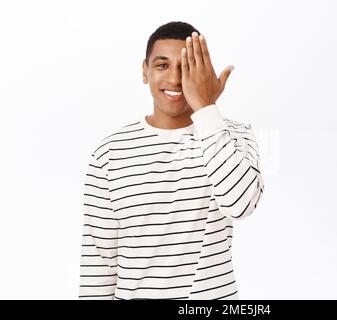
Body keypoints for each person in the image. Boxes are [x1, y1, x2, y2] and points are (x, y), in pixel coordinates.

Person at [78, 21, 264, 300]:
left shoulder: (234, 136)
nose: (175, 79)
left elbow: (241, 206)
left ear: (203, 72)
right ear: (145, 71)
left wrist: (206, 109)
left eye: (187, 67)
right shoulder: (110, 152)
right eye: (162, 65)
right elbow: (99, 261)